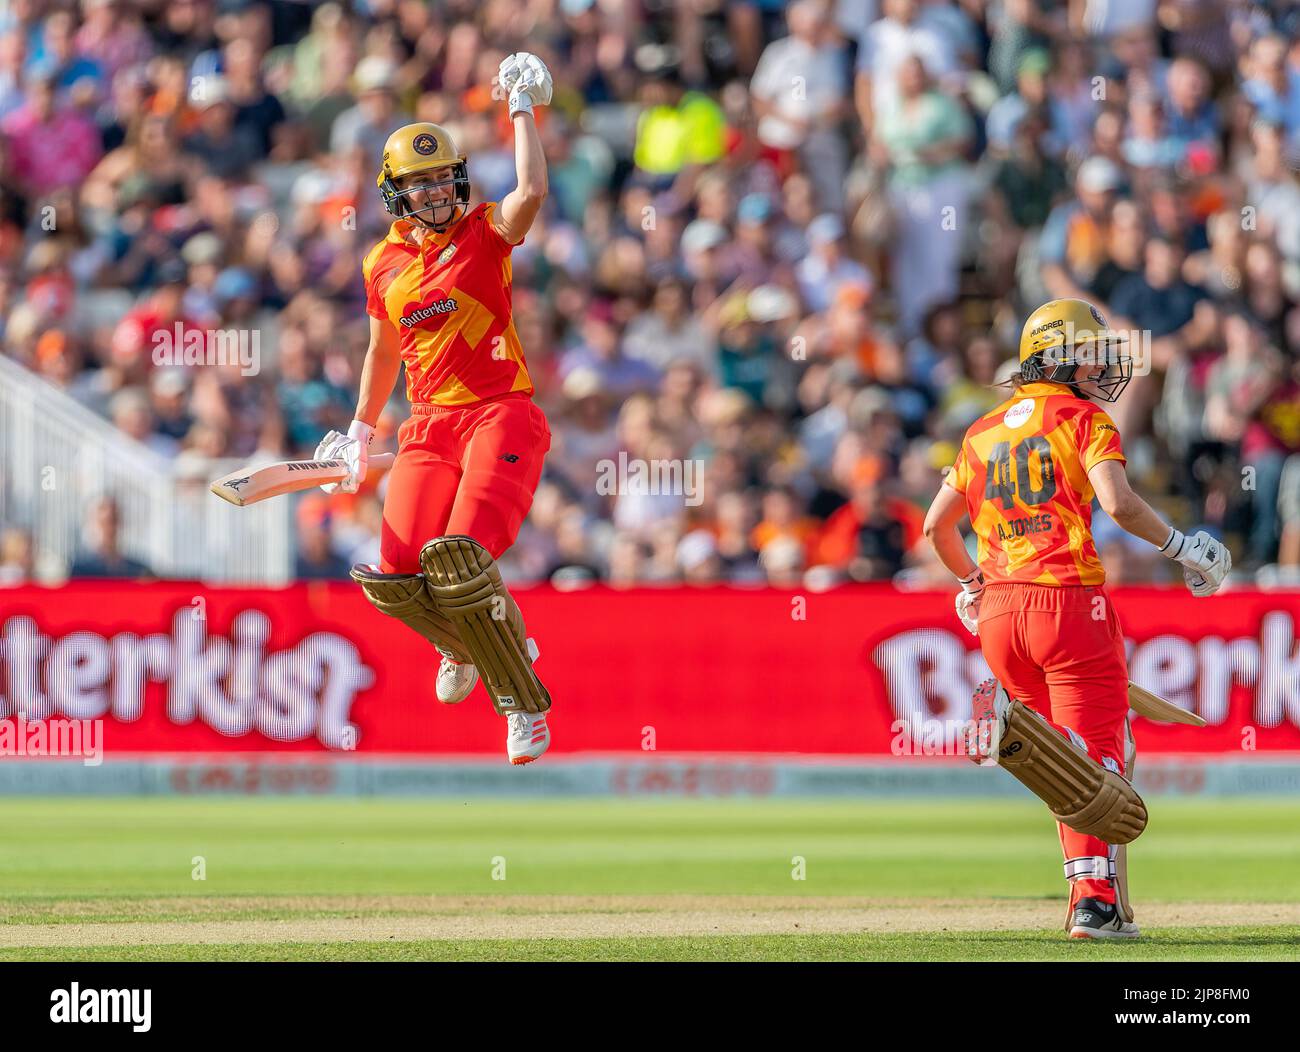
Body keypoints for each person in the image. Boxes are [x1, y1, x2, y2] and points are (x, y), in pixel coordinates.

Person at [922, 298, 1232, 939]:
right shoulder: (1083, 418)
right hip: (1067, 604)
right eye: (1088, 357)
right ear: (1056, 359)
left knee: (1061, 763)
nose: (1098, 370)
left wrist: (971, 581)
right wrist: (1183, 548)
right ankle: (1096, 903)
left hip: (1001, 616)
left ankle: (1093, 900)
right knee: (1096, 758)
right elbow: (1117, 504)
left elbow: (935, 526)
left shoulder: (980, 430)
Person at [314, 53, 555, 765]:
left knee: (458, 560)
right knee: (390, 574)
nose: (437, 193)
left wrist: (519, 108)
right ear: (395, 195)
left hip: (500, 413)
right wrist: (361, 429)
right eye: (419, 185)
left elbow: (533, 190)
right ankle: (473, 641)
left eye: (444, 178)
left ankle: (522, 706)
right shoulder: (380, 266)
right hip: (426, 428)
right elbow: (381, 354)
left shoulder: (484, 232)